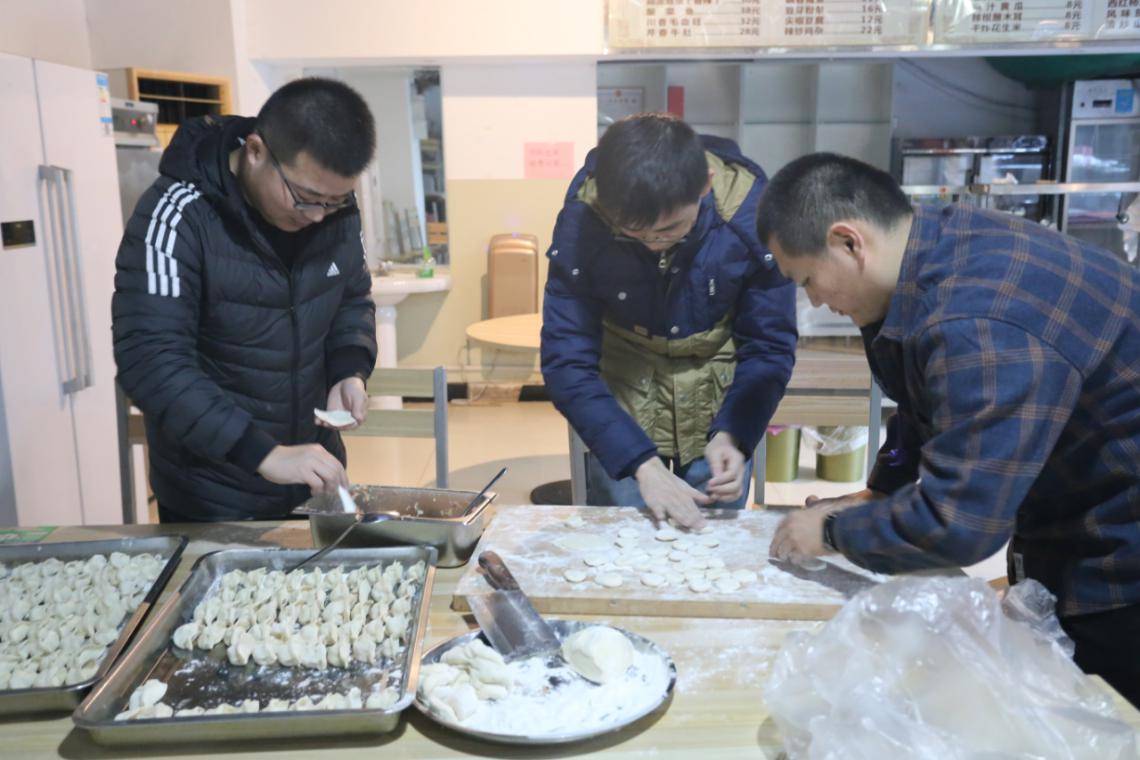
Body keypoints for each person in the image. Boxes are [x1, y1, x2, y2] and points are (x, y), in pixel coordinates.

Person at [758, 152, 1140, 707]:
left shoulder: (978, 323)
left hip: (1120, 558)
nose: (814, 300)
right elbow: (929, 402)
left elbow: (961, 523)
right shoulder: (933, 251)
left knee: (1101, 719)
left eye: (808, 280)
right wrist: (881, 491)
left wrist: (833, 531)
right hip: (1070, 506)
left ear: (849, 242)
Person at [112, 78, 378, 522]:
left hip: (311, 482)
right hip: (212, 496)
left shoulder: (337, 213)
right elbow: (150, 359)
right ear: (255, 151)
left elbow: (351, 298)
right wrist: (263, 453)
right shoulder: (179, 214)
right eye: (306, 198)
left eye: (334, 201)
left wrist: (348, 370)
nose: (318, 216)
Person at [541, 113, 797, 529]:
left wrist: (735, 433)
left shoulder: (750, 218)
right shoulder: (585, 222)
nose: (653, 243)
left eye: (670, 228)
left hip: (720, 400)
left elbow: (769, 345)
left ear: (705, 185)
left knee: (712, 543)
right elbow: (566, 360)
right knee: (623, 540)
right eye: (635, 232)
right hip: (623, 400)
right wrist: (639, 463)